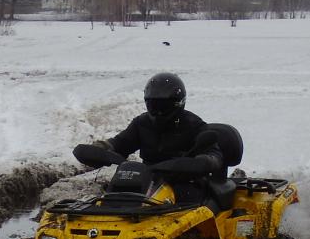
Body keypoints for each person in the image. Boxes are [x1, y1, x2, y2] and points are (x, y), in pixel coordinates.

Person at [82, 72, 224, 174]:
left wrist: (203, 161)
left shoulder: (194, 125)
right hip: (148, 179)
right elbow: (121, 143)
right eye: (153, 105)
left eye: (163, 106)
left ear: (178, 103)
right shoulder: (142, 123)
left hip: (185, 181)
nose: (158, 112)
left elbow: (215, 155)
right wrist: (102, 148)